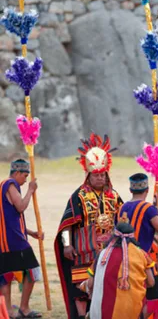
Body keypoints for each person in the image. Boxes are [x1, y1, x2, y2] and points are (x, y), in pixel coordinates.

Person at [55, 134, 124, 319]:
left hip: (108, 250)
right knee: (82, 287)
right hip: (84, 250)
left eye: (103, 175)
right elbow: (66, 224)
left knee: (107, 284)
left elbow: (123, 220)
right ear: (89, 175)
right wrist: (67, 245)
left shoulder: (114, 195)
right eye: (96, 175)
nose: (100, 178)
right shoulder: (78, 196)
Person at [117, 173, 158, 317]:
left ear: (130, 190)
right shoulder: (149, 209)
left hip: (122, 258)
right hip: (141, 260)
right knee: (155, 299)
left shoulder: (122, 208)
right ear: (146, 191)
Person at [0, 160, 43, 319]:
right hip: (13, 241)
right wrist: (31, 191)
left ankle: (7, 312)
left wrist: (31, 233)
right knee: (32, 271)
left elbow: (8, 219)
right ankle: (23, 308)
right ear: (16, 173)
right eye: (25, 176)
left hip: (5, 240)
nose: (26, 180)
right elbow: (21, 207)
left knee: (6, 275)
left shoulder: (2, 185)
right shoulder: (10, 184)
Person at [86, 222, 155, 319]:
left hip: (102, 312)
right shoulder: (142, 254)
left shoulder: (102, 254)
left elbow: (90, 284)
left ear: (114, 234)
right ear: (133, 235)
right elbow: (151, 282)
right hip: (132, 310)